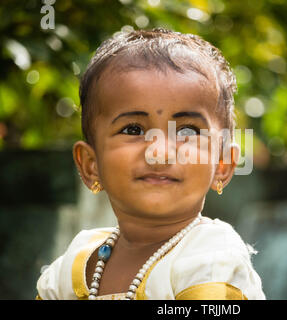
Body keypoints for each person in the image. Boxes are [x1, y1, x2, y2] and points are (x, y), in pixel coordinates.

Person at [36, 28, 266, 300]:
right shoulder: (71, 265)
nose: (160, 152)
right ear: (90, 164)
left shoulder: (211, 257)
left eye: (187, 132)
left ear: (223, 163)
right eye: (133, 129)